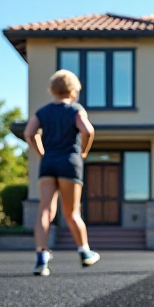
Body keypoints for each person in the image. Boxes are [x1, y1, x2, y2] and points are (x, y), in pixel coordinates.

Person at [23, 69, 99, 276]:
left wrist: (42, 153)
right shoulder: (75, 110)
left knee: (45, 210)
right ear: (73, 91)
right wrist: (83, 150)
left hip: (49, 163)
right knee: (72, 212)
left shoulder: (43, 112)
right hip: (69, 162)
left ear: (52, 90)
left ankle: (41, 257)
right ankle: (85, 252)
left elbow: (30, 133)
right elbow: (88, 131)